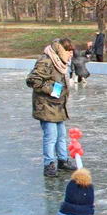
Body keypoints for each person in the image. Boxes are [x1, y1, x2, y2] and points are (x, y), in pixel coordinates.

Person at [26, 38, 78, 177]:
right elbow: (32, 80)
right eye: (68, 51)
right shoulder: (47, 61)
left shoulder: (60, 62)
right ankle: (49, 164)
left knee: (61, 135)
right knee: (51, 136)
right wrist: (52, 90)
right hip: (46, 105)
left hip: (58, 105)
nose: (71, 54)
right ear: (61, 50)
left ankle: (62, 160)